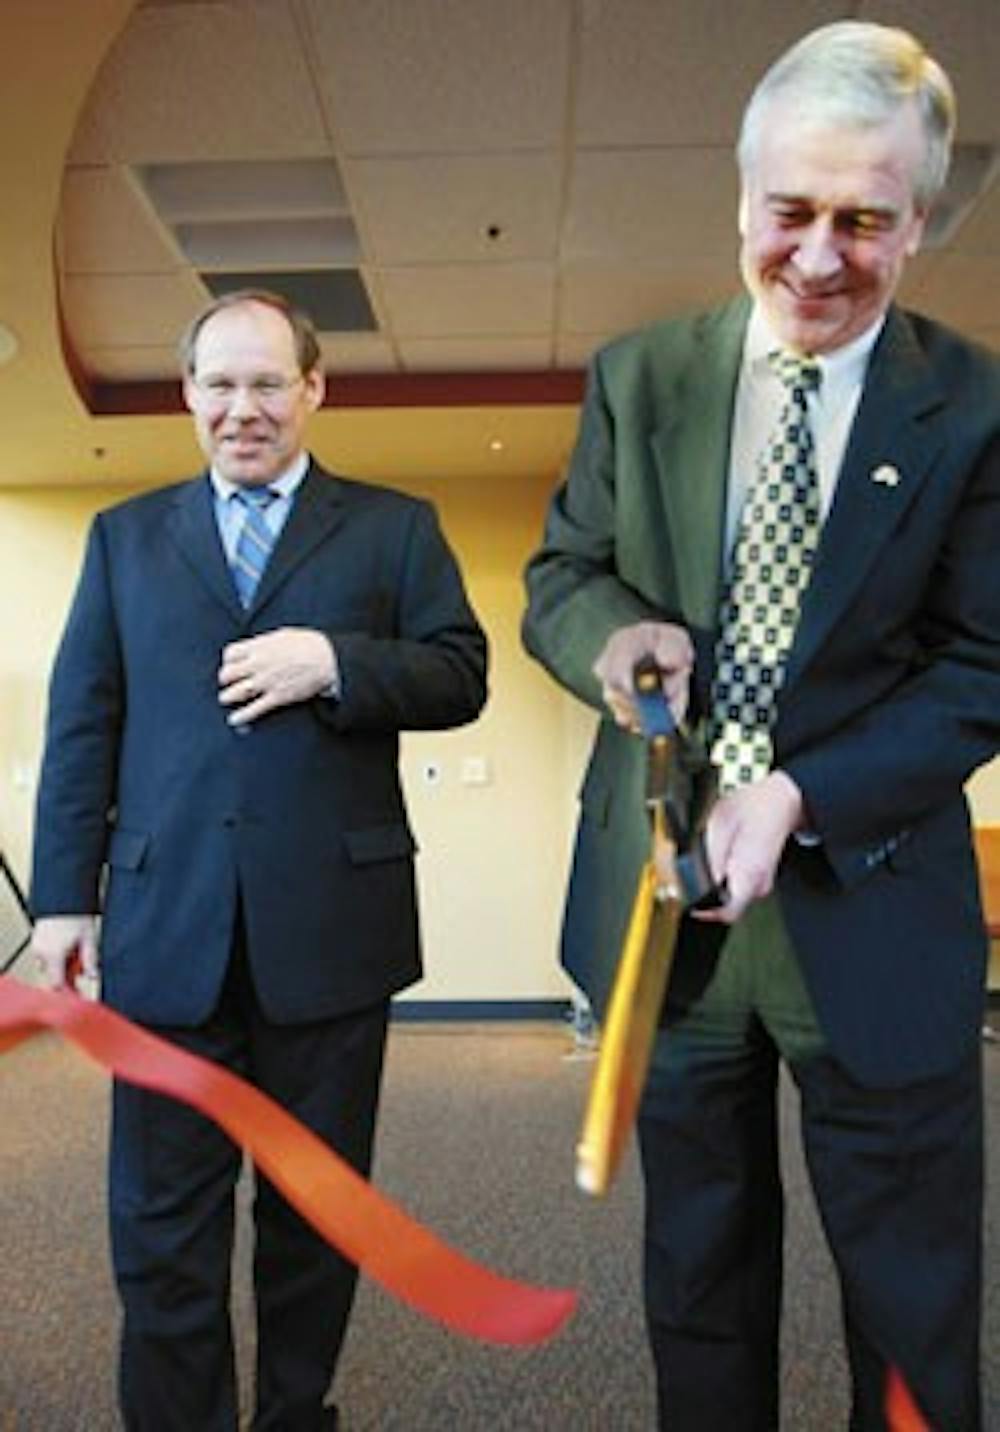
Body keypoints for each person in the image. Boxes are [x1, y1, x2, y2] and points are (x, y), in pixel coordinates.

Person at [523, 22, 1000, 1432]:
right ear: (742, 200)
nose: (817, 256)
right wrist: (610, 637)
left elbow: (984, 663)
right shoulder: (640, 376)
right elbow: (561, 573)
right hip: (671, 925)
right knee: (699, 1278)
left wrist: (796, 793)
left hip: (870, 905)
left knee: (913, 1304)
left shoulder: (976, 407)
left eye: (866, 221)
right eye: (790, 212)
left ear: (920, 221)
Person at [29, 289, 488, 1430]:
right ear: (188, 395)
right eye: (219, 385)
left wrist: (335, 661)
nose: (244, 408)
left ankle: (293, 1414)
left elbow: (459, 672)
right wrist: (60, 905)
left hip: (332, 932)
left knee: (314, 1215)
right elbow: (82, 726)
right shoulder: (125, 538)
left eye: (268, 382)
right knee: (160, 1222)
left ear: (313, 389)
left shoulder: (394, 528)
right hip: (162, 931)